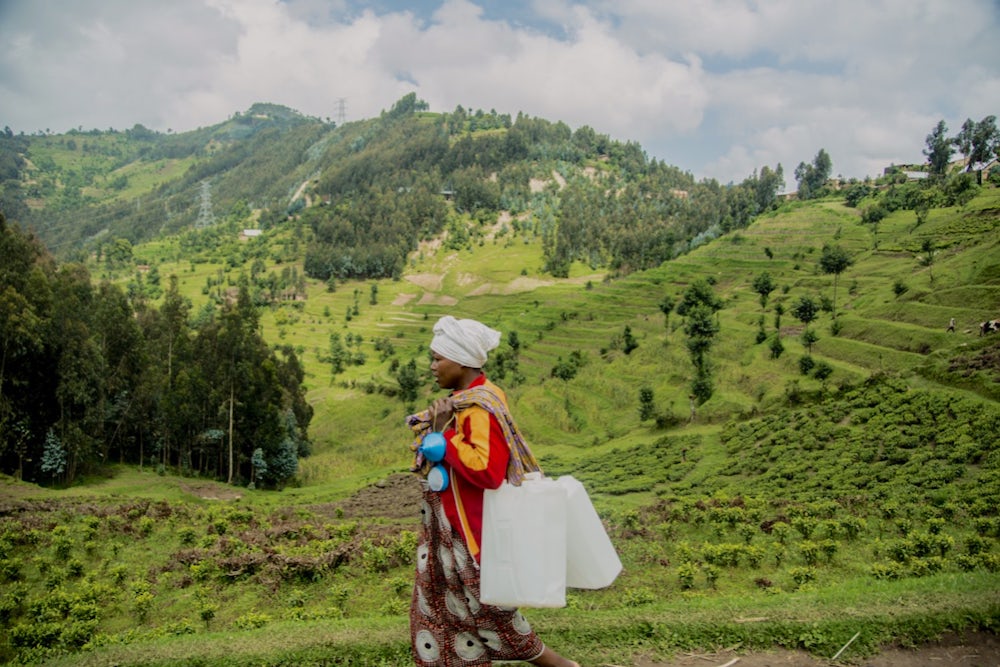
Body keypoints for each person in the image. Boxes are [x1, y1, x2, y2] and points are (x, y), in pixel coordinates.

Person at [406, 316, 578, 667]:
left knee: (488, 611)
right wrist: (440, 432)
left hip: (470, 528)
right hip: (449, 524)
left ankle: (559, 665)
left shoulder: (479, 408)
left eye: (438, 358)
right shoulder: (461, 402)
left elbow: (487, 471)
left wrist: (444, 434)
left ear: (463, 361)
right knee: (442, 605)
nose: (432, 366)